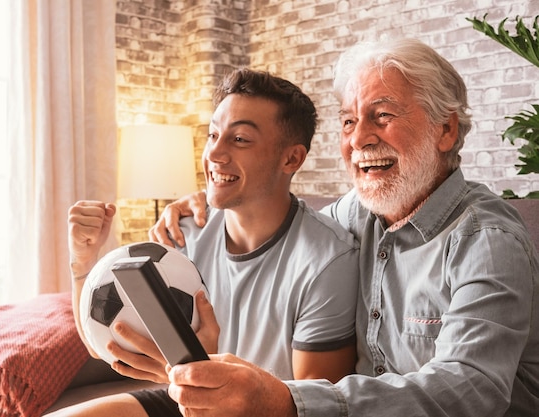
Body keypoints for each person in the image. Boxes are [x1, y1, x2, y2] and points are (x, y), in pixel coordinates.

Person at [152, 38, 539, 417]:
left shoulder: (486, 239)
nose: (358, 138)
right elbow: (275, 213)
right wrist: (211, 202)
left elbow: (470, 389)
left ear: (446, 131)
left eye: (382, 115)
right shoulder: (352, 217)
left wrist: (287, 402)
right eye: (349, 121)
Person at [60, 68, 360, 416]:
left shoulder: (327, 259)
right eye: (212, 134)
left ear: (291, 158)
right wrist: (82, 261)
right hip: (189, 400)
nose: (214, 154)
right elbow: (104, 346)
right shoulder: (184, 233)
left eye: (240, 139)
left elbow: (314, 408)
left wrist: (202, 369)